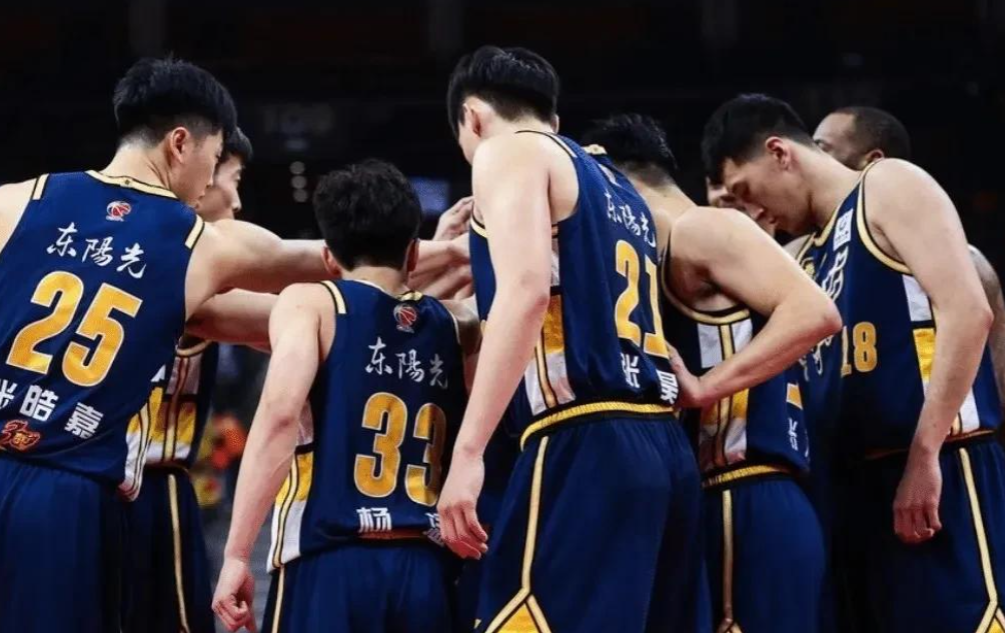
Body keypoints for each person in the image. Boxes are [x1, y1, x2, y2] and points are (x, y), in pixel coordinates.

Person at [0, 56, 338, 632]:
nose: (212, 178)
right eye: (215, 156)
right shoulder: (198, 242)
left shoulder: (18, 199)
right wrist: (454, 256)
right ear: (180, 143)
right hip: (66, 488)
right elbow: (324, 259)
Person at [703, 93, 1005, 633]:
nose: (753, 210)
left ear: (779, 153)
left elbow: (969, 311)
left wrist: (924, 456)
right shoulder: (799, 256)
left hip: (940, 465)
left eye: (746, 191)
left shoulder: (888, 185)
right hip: (852, 487)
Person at [437, 46, 707, 633]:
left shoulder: (507, 150)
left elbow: (526, 292)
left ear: (473, 116)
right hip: (663, 446)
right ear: (554, 117)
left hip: (583, 436)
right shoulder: (619, 188)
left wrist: (468, 454)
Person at [583, 113, 839, 633]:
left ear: (613, 181)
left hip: (746, 491)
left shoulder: (702, 227)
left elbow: (816, 314)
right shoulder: (649, 257)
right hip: (713, 499)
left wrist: (705, 387)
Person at [212, 159, 480, 633]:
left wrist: (236, 555)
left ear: (329, 258)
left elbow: (278, 417)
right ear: (415, 253)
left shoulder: (311, 302)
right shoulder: (461, 324)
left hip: (332, 557)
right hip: (427, 566)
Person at [123, 126, 275, 633]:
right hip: (146, 483)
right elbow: (299, 311)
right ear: (200, 172)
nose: (236, 197)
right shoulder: (182, 267)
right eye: (233, 177)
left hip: (135, 480)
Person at [814, 105, 1005, 421]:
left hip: (943, 441)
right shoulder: (821, 253)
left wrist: (929, 442)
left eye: (822, 148)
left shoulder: (963, 258)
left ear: (873, 161)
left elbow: (997, 370)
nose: (811, 160)